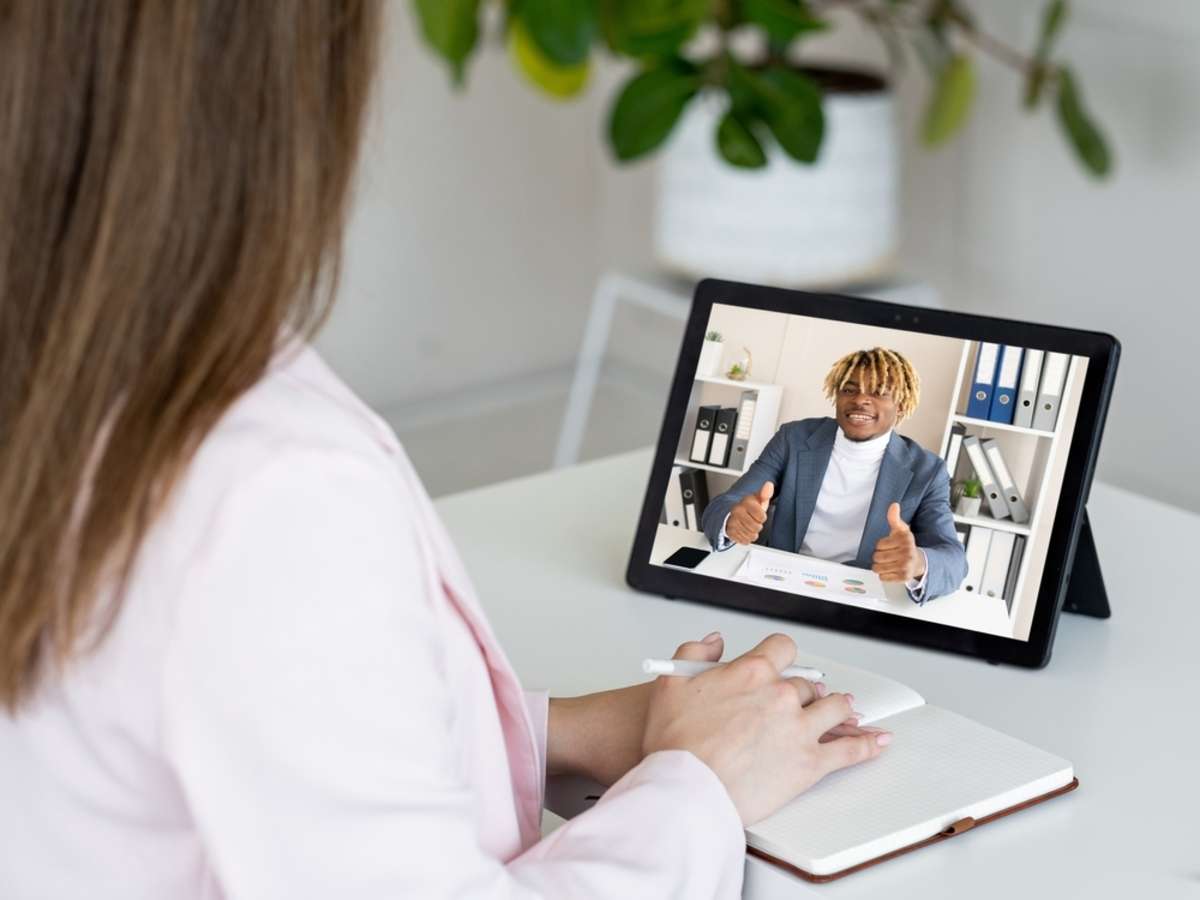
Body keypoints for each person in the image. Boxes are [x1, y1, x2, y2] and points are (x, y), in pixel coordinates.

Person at [0, 4, 890, 898]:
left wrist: (559, 734)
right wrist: (696, 785)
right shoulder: (268, 489)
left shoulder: (68, 369)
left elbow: (231, 735)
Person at [701, 348, 968, 602]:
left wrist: (918, 562)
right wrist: (732, 519)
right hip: (781, 582)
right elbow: (726, 503)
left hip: (859, 596)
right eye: (849, 389)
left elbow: (954, 560)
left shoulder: (928, 470)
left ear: (901, 405)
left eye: (879, 392)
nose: (861, 400)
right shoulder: (794, 438)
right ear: (836, 396)